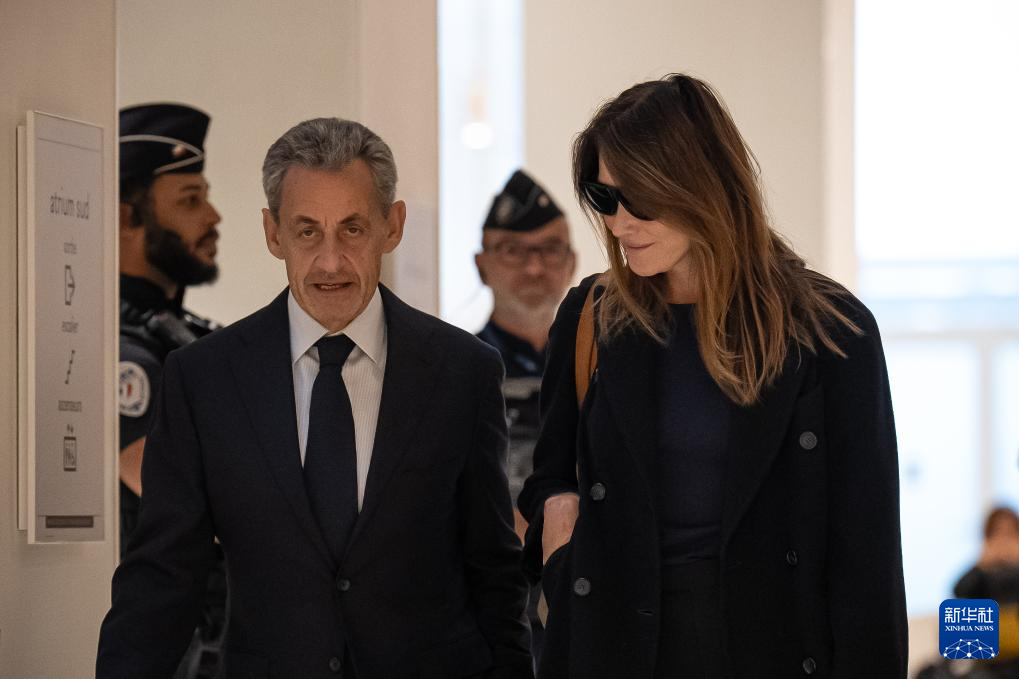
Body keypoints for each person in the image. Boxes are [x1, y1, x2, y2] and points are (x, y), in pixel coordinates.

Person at [97, 117, 532, 679]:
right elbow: (161, 579)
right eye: (307, 231)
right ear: (272, 233)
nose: (330, 261)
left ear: (392, 226)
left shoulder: (462, 371)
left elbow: (493, 570)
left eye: (352, 229)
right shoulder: (205, 379)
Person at [517, 73, 908, 679]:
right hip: (617, 650)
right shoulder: (592, 316)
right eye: (602, 197)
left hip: (772, 652)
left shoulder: (830, 329)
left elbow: (868, 551)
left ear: (698, 185)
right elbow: (551, 473)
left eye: (637, 198)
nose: (618, 223)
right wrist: (560, 538)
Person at [117, 103, 227, 679]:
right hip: (174, 646)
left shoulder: (189, 337)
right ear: (125, 218)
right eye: (189, 200)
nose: (213, 215)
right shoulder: (117, 351)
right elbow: (177, 494)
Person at [475, 169, 575, 663]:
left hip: (576, 609)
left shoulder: (596, 372)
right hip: (487, 616)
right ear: (481, 264)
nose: (534, 268)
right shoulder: (456, 374)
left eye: (550, 250)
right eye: (513, 251)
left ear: (572, 263)